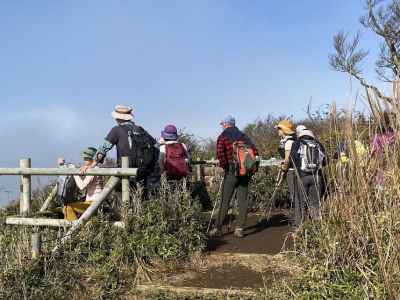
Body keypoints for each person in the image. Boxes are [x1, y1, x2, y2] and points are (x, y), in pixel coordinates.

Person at [81, 105, 159, 200]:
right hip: (142, 173)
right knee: (140, 201)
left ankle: (124, 215)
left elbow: (103, 149)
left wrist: (91, 165)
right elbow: (155, 146)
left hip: (124, 173)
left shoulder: (116, 130)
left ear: (117, 117)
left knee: (122, 201)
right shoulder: (140, 129)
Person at [211, 115, 259, 238]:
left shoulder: (222, 137)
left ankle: (217, 228)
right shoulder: (243, 136)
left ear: (227, 124)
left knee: (224, 201)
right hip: (245, 173)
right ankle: (240, 228)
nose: (221, 126)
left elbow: (221, 155)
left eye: (222, 124)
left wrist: (226, 168)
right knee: (242, 201)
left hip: (231, 172)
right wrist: (251, 170)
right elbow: (255, 152)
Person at [290, 126, 326, 227]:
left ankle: (300, 227)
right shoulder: (318, 144)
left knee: (301, 203)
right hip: (317, 177)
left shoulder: (297, 143)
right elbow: (325, 161)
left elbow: (293, 158)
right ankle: (318, 227)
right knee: (315, 203)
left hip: (302, 177)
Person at [63, 147, 105, 221]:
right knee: (66, 208)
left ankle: (75, 229)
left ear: (91, 159)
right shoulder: (92, 168)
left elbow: (82, 186)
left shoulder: (93, 170)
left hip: (94, 203)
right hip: (92, 202)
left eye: (86, 159)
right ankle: (77, 227)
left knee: (68, 208)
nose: (84, 161)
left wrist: (74, 173)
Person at [275, 120, 297, 213]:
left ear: (284, 130)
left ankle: (300, 217)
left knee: (294, 193)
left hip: (292, 170)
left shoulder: (289, 141)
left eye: (279, 129)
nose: (278, 131)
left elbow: (288, 159)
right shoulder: (284, 141)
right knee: (293, 193)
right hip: (288, 169)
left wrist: (284, 168)